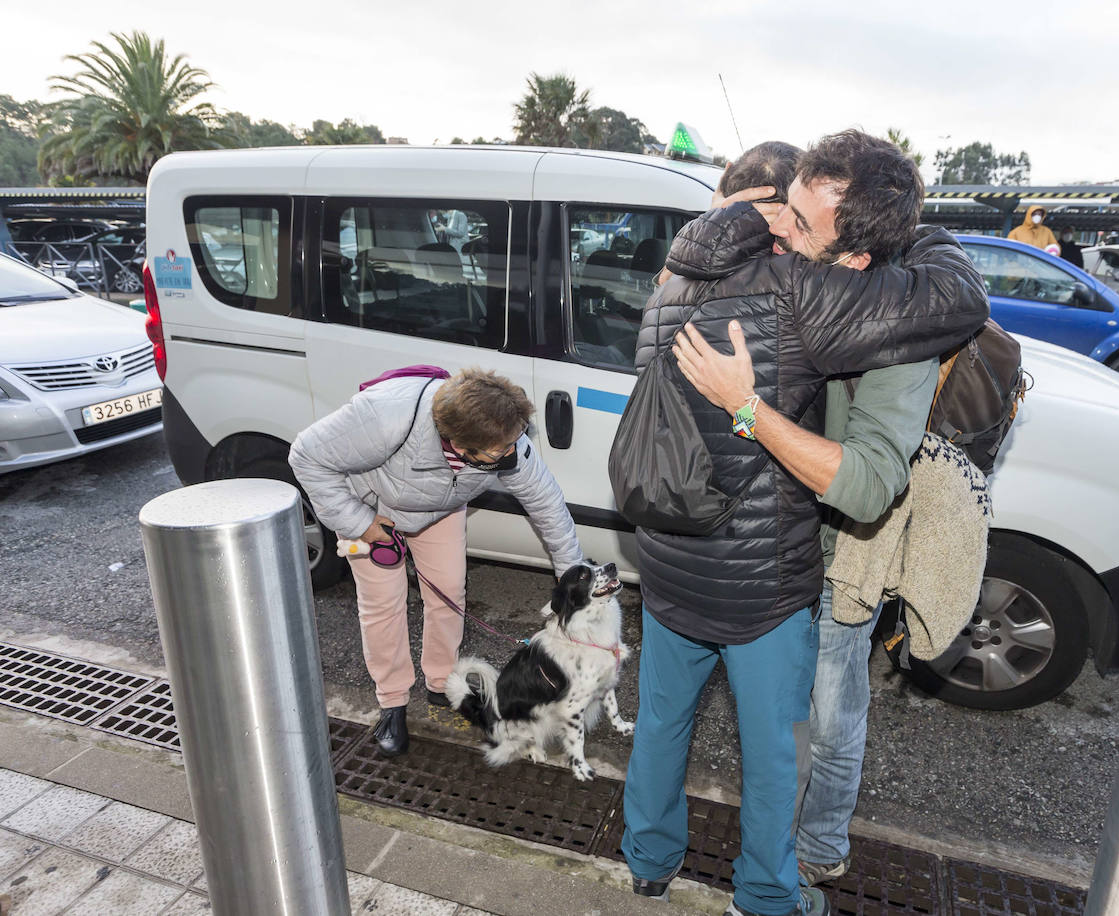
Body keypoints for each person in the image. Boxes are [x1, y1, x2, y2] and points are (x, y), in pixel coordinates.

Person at [620, 131, 988, 916]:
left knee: (660, 725)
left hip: (669, 557)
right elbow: (864, 485)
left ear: (855, 258)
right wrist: (746, 408)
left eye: (800, 220)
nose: (781, 230)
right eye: (781, 206)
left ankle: (647, 862)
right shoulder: (806, 292)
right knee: (778, 756)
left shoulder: (678, 272)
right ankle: (765, 896)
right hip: (763, 586)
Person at [289, 368, 584, 756]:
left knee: (448, 591)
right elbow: (306, 456)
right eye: (501, 451)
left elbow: (548, 506)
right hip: (376, 510)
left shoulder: (507, 440)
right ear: (461, 445)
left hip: (440, 510)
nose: (514, 452)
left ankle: (442, 681)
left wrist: (572, 579)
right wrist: (359, 523)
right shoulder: (387, 415)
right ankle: (392, 702)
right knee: (383, 605)